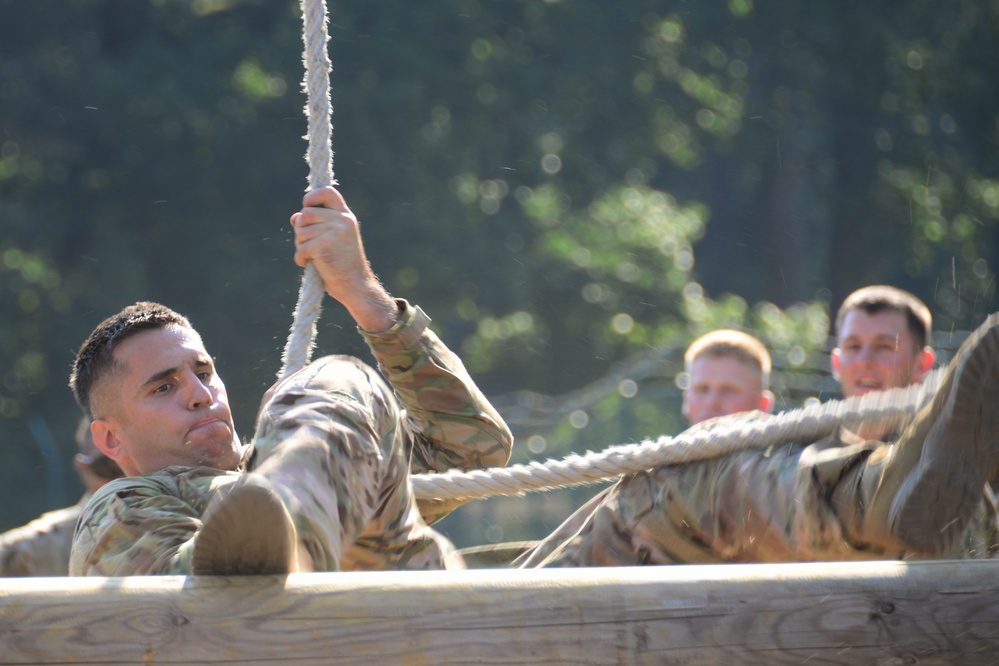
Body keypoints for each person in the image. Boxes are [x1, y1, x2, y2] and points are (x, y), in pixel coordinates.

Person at [68, 186, 513, 576]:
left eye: (203, 373)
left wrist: (362, 292)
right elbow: (191, 605)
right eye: (163, 388)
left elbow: (473, 447)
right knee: (334, 378)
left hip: (463, 613)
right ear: (110, 439)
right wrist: (287, 447)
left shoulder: (322, 458)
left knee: (331, 380)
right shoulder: (122, 507)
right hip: (342, 627)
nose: (201, 395)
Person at [522, 285, 999, 567]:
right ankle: (877, 497)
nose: (866, 362)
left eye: (884, 347)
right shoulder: (801, 444)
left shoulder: (958, 463)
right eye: (854, 348)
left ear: (923, 363)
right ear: (836, 361)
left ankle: (882, 497)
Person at [503, 328, 775, 568]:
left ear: (764, 405)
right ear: (686, 399)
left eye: (729, 390)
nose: (712, 401)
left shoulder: (780, 478)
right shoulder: (652, 480)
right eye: (702, 389)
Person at [0, 418, 123, 576]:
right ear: (82, 468)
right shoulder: (38, 547)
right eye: (107, 466)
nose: (124, 477)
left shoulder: (157, 530)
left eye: (131, 462)